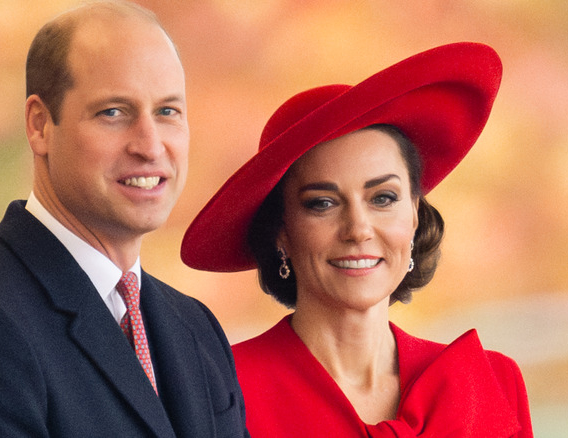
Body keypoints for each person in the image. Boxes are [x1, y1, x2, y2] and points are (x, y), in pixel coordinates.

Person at [0, 2, 248, 437]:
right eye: (113, 112)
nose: (150, 146)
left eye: (167, 112)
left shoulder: (195, 328)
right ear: (40, 125)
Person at [181, 42, 533, 437]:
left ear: (415, 214)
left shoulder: (493, 383)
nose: (359, 229)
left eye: (383, 198)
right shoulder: (219, 394)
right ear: (281, 229)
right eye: (323, 203)